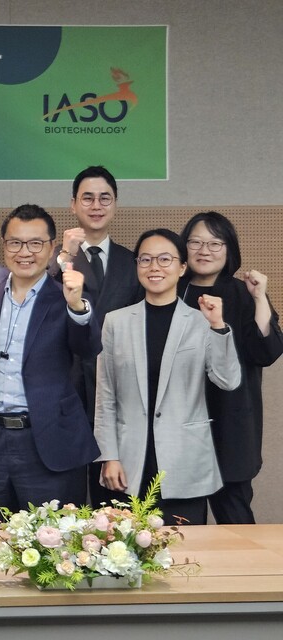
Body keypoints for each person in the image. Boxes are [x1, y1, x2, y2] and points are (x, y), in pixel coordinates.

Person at [0, 204, 101, 528]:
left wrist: (76, 304)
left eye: (35, 243)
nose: (25, 252)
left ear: (52, 247)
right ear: (4, 245)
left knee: (54, 544)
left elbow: (89, 347)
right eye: (15, 243)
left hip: (47, 440)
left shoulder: (65, 295)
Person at [96, 229, 241, 525]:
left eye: (165, 259)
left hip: (184, 461)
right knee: (126, 557)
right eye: (146, 260)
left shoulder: (202, 321)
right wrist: (108, 455)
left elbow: (227, 380)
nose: (154, 267)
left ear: (182, 267)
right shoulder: (116, 322)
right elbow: (105, 395)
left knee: (185, 558)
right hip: (129, 461)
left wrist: (218, 327)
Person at [178, 212, 283, 523]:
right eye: (195, 242)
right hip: (180, 424)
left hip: (232, 425)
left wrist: (260, 297)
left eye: (215, 243)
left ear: (229, 250)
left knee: (236, 519)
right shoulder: (171, 291)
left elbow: (266, 351)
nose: (204, 250)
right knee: (181, 526)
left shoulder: (242, 293)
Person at [47, 166, 143, 506]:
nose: (96, 205)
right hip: (66, 387)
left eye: (105, 198)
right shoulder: (54, 259)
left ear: (115, 205)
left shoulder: (134, 261)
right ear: (73, 204)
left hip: (118, 390)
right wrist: (64, 256)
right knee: (65, 496)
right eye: (87, 197)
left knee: (113, 498)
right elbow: (40, 299)